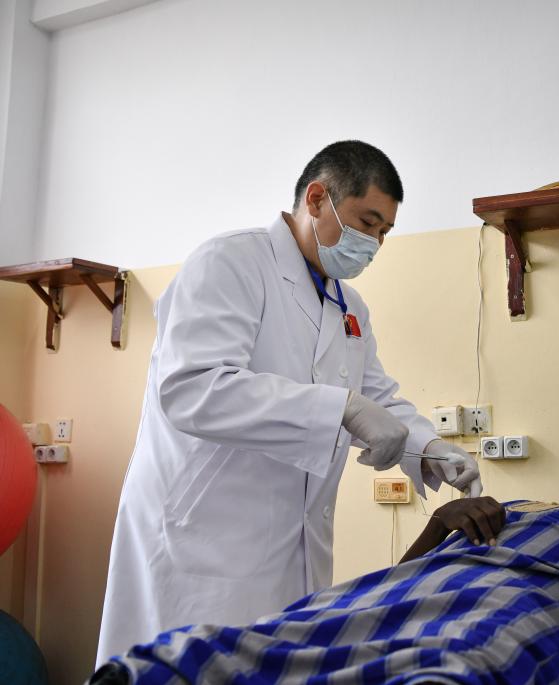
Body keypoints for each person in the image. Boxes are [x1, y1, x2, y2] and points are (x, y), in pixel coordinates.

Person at [96, 141, 482, 665]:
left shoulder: (349, 305)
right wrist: (340, 409)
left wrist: (429, 447)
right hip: (202, 538)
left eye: (384, 233)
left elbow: (376, 397)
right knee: (185, 670)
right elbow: (192, 387)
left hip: (292, 546)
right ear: (317, 198)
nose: (373, 244)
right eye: (366, 223)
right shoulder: (230, 262)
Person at [89, 451, 559, 684]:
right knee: (309, 625)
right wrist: (439, 521)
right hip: (420, 591)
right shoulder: (504, 510)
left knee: (470, 653)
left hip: (516, 603)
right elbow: (405, 574)